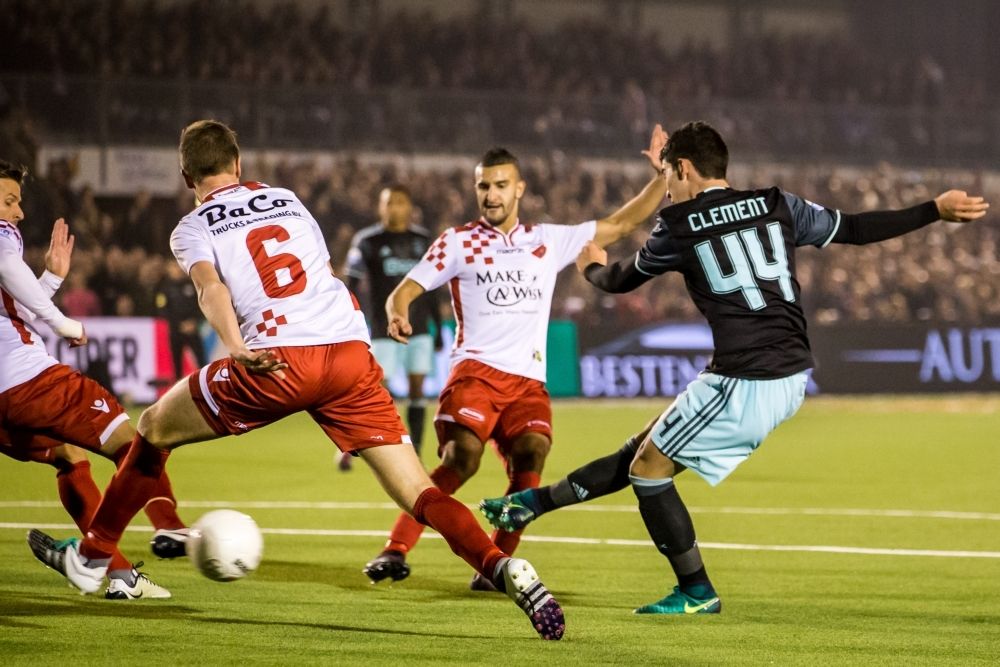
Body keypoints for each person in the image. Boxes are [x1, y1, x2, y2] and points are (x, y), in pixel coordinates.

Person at [28, 121, 565, 640]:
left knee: (152, 427)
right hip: (349, 356)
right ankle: (501, 565)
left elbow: (212, 290)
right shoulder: (285, 198)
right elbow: (322, 273)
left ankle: (92, 557)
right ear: (239, 164)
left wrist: (235, 346)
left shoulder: (191, 228)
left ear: (187, 176)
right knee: (417, 491)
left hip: (278, 359)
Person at [480, 121, 990, 614]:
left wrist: (589, 263)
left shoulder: (678, 224)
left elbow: (618, 280)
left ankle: (696, 590)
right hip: (784, 369)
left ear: (684, 169)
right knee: (642, 448)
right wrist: (933, 210)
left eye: (669, 177)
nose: (668, 190)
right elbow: (855, 228)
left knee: (648, 471)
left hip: (748, 377)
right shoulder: (776, 204)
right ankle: (531, 504)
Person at [363, 126, 670, 590]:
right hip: (476, 374)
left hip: (528, 381)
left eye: (501, 185)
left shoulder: (547, 239)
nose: (491, 194)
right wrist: (397, 312)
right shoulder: (457, 241)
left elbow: (620, 225)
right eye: (484, 185)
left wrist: (663, 176)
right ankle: (396, 547)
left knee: (532, 454)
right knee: (462, 458)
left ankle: (496, 567)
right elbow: (404, 289)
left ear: (519, 189)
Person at [0, 160, 186, 600]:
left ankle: (120, 576)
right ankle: (170, 528)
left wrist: (50, 279)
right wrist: (63, 323)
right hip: (29, 381)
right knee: (136, 443)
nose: (18, 213)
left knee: (69, 457)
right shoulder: (2, 234)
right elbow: (8, 267)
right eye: (9, 201)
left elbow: (11, 306)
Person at [337, 184, 443, 471]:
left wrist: (436, 327)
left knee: (417, 391)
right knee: (376, 393)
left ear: (410, 207)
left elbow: (433, 288)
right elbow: (351, 283)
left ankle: (415, 454)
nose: (394, 208)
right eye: (388, 202)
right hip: (382, 329)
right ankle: (353, 443)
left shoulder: (423, 240)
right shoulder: (367, 240)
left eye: (400, 202)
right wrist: (350, 321)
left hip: (419, 328)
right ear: (380, 207)